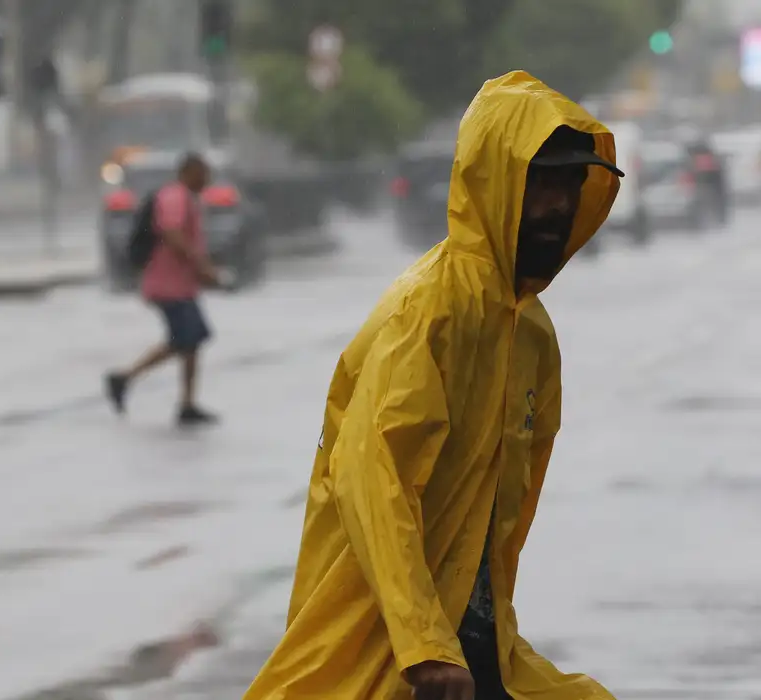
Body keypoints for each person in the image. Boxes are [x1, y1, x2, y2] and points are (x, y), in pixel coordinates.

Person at [243, 71, 624, 700]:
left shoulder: (529, 334)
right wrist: (423, 645)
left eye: (567, 184)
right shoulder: (430, 311)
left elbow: (498, 520)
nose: (557, 205)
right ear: (494, 183)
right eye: (540, 183)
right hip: (384, 646)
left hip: (470, 645)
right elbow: (374, 475)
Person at [105, 152, 227, 426]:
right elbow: (172, 233)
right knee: (185, 339)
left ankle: (186, 403)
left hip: (179, 285)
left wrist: (201, 272)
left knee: (191, 340)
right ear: (190, 172)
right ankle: (124, 378)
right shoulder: (175, 197)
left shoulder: (186, 198)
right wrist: (202, 265)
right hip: (167, 285)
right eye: (203, 174)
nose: (207, 180)